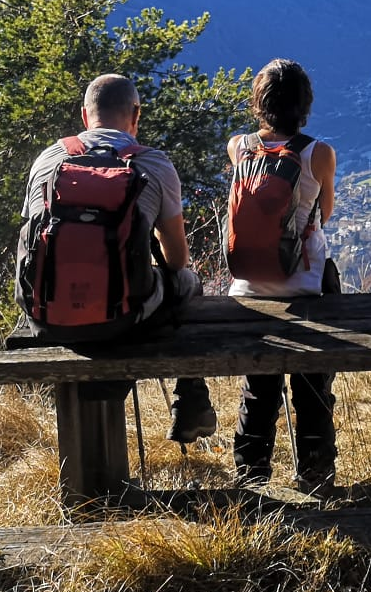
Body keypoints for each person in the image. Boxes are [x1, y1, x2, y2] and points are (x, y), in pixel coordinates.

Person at [17, 72, 217, 443]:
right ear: (135, 115)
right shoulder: (153, 165)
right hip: (124, 318)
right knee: (190, 281)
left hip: (46, 318)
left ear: (84, 115)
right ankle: (191, 400)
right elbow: (176, 260)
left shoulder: (48, 161)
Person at [227, 58, 339, 494]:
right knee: (312, 388)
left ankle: (251, 476)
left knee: (259, 389)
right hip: (304, 289)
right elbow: (323, 215)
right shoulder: (319, 154)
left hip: (248, 290)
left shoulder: (239, 148)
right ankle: (314, 474)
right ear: (304, 104)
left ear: (260, 103)